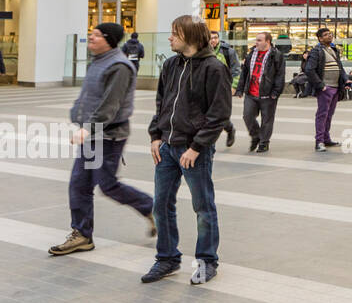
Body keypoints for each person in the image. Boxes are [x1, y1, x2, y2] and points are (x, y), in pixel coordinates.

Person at [48, 23, 156, 257]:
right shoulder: (98, 61)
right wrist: (77, 112)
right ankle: (82, 235)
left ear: (109, 39)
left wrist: (88, 129)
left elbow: (110, 105)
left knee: (107, 185)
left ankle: (151, 207)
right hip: (93, 134)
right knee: (80, 184)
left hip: (108, 136)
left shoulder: (119, 66)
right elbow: (89, 95)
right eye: (91, 34)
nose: (91, 38)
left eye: (96, 35)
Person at [142, 15, 231, 285]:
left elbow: (219, 114)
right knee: (161, 205)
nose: (170, 38)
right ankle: (167, 258)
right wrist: (155, 136)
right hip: (166, 147)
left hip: (194, 151)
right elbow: (162, 103)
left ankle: (207, 261)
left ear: (190, 37)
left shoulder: (213, 68)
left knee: (203, 206)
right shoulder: (170, 65)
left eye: (175, 34)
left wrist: (196, 147)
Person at [302, 27, 352, 151]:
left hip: (335, 87)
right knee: (322, 115)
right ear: (320, 38)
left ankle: (326, 138)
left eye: (330, 34)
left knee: (329, 115)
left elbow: (339, 67)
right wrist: (321, 85)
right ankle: (319, 141)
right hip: (326, 88)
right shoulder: (316, 51)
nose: (329, 36)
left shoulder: (334, 50)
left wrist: (346, 79)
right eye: (326, 35)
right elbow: (309, 69)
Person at [237, 31, 284, 153]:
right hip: (251, 92)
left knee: (267, 119)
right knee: (247, 116)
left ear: (267, 41)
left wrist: (276, 92)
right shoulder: (252, 53)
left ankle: (264, 142)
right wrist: (240, 89)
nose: (256, 42)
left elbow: (280, 75)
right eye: (256, 40)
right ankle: (256, 135)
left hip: (268, 93)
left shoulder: (276, 55)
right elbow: (245, 72)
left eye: (259, 40)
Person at [205, 30, 239, 148]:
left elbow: (236, 70)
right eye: (210, 38)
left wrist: (233, 87)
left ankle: (228, 130)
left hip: (223, 88)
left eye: (215, 38)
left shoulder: (228, 51)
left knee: (219, 112)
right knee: (209, 113)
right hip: (207, 88)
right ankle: (228, 129)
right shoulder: (203, 51)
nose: (213, 40)